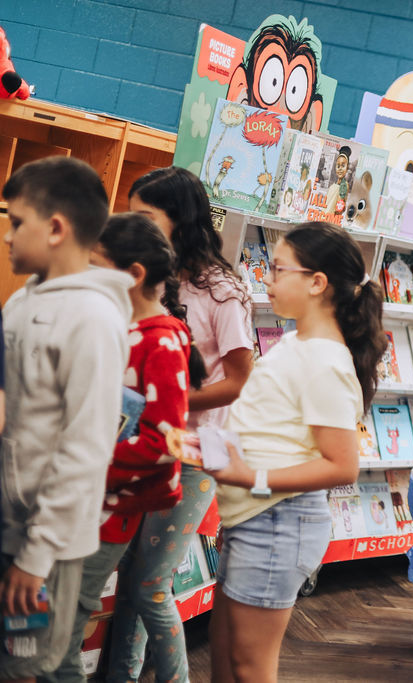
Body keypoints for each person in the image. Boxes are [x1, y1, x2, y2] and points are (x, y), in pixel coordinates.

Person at [203, 222, 387, 680]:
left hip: (276, 521)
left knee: (249, 665)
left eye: (278, 268)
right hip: (256, 519)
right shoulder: (297, 343)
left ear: (317, 282)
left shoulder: (325, 360)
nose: (266, 277)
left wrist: (253, 480)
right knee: (225, 656)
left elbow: (342, 465)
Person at [44, 214, 207, 683]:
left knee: (58, 643)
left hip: (107, 512)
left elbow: (163, 440)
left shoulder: (162, 344)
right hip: (75, 502)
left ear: (133, 275)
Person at [107, 166, 253, 680]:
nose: (134, 224)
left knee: (150, 582)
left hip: (195, 450)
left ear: (180, 220)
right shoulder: (150, 275)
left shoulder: (220, 290)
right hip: (144, 442)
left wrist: (175, 398)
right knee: (130, 577)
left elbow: (237, 379)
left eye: (145, 215)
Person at [0, 157, 131, 681]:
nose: (7, 236)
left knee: (24, 666)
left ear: (56, 228)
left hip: (44, 549)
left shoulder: (95, 319)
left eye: (15, 222)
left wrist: (37, 555)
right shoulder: (22, 301)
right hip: (10, 528)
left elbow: (85, 448)